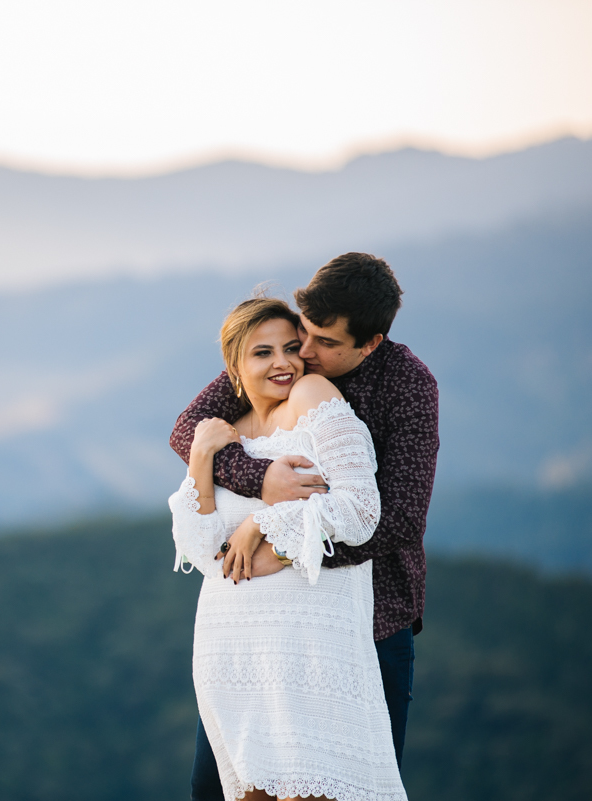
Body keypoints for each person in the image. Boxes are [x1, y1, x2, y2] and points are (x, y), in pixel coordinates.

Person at [170, 253, 439, 800]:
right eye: (303, 332)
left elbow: (398, 521)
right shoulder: (282, 350)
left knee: (340, 783)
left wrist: (280, 543)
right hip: (247, 642)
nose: (304, 353)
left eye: (322, 343)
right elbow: (188, 432)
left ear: (370, 343)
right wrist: (262, 477)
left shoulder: (406, 387)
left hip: (370, 621)